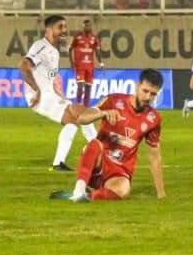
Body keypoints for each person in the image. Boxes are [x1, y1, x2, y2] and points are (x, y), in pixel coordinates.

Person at [50, 69, 166, 202]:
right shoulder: (114, 100)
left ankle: (87, 196)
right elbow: (82, 118)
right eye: (145, 91)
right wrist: (103, 114)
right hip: (99, 162)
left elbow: (154, 156)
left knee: (123, 190)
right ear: (137, 86)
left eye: (153, 94)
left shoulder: (153, 119)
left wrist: (161, 192)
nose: (147, 97)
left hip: (119, 172)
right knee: (95, 144)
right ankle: (79, 190)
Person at [21, 15, 119, 173]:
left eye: (65, 27)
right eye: (60, 27)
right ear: (49, 29)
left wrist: (61, 96)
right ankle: (102, 148)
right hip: (39, 97)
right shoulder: (41, 46)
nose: (64, 31)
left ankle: (59, 163)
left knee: (73, 121)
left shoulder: (54, 52)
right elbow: (24, 66)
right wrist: (37, 90)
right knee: (80, 111)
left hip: (50, 95)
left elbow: (52, 79)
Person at [69, 19, 104, 107]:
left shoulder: (94, 38)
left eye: (90, 26)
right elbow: (70, 49)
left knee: (88, 88)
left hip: (90, 67)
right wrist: (71, 62)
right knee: (80, 86)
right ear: (83, 27)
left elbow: (97, 51)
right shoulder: (77, 37)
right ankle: (79, 104)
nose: (89, 27)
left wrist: (101, 63)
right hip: (80, 66)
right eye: (87, 26)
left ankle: (86, 107)